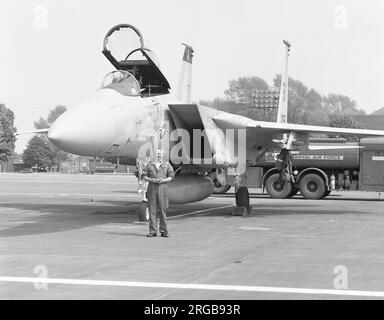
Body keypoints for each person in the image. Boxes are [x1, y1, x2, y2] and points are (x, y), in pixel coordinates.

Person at [141, 149, 174, 237]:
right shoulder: (149, 165)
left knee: (163, 210)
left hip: (163, 188)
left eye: (160, 154)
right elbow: (143, 176)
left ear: (162, 155)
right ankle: (153, 231)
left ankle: (164, 231)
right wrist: (151, 180)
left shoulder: (166, 165)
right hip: (152, 187)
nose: (158, 156)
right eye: (157, 154)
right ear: (154, 155)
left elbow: (171, 177)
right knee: (152, 210)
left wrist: (163, 180)